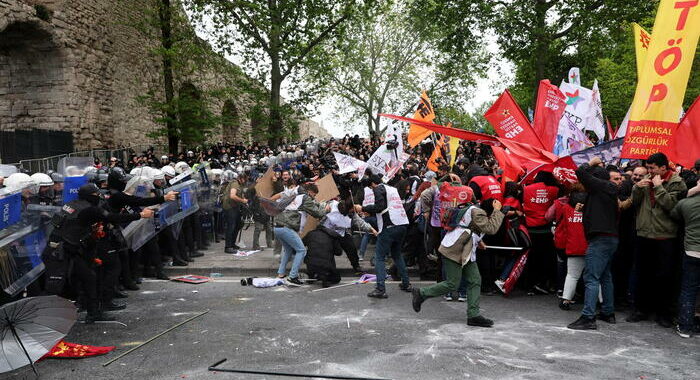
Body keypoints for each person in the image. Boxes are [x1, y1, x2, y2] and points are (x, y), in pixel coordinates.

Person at [49, 183, 154, 323]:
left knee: (86, 278)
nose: (99, 197)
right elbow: (112, 217)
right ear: (91, 196)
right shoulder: (89, 209)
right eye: (97, 195)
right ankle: (51, 316)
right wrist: (140, 215)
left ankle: (91, 312)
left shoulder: (71, 205)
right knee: (57, 284)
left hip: (65, 248)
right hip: (64, 250)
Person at [411, 198, 504, 327]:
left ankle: (473, 315)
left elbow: (469, 228)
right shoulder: (478, 213)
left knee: (475, 280)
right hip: (454, 250)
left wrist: (479, 241)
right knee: (452, 284)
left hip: (464, 250)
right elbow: (491, 228)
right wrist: (498, 211)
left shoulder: (472, 209)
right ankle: (421, 293)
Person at [627, 152, 687, 327]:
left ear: (663, 168)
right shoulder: (646, 178)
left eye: (653, 168)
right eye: (648, 167)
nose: (649, 171)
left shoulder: (677, 182)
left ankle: (664, 313)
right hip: (644, 233)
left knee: (665, 276)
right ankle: (641, 309)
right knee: (643, 273)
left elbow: (672, 207)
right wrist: (638, 187)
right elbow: (635, 202)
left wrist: (659, 187)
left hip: (665, 235)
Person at [568, 157, 620, 330]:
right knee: (606, 276)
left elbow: (580, 172)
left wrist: (591, 163)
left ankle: (588, 317)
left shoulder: (600, 187)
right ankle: (608, 312)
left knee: (591, 278)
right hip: (610, 238)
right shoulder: (605, 191)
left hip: (600, 240)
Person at [356, 174, 412, 298]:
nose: (371, 190)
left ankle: (380, 289)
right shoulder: (392, 189)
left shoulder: (378, 189)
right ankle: (406, 283)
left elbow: (379, 207)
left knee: (379, 258)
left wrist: (363, 208)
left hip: (389, 226)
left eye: (371, 188)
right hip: (402, 224)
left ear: (373, 184)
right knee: (397, 255)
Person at [275, 182, 327, 286]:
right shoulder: (306, 197)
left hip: (278, 227)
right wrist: (324, 208)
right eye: (314, 195)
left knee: (288, 250)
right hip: (287, 228)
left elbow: (312, 204)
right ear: (309, 192)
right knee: (301, 250)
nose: (314, 197)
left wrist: (318, 204)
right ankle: (292, 277)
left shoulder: (297, 196)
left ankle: (280, 274)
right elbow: (318, 213)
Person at [670, 178, 700, 338]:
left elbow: (674, 214)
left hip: (692, 250)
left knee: (689, 289)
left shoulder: (686, 203)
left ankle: (685, 325)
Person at [222, 172, 248, 254]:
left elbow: (240, 194)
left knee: (237, 225)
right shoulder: (235, 183)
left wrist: (243, 200)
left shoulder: (240, 184)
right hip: (229, 207)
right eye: (245, 179)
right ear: (241, 178)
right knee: (231, 226)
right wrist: (242, 201)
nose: (245, 181)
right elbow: (232, 196)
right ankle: (228, 247)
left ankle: (232, 244)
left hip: (235, 207)